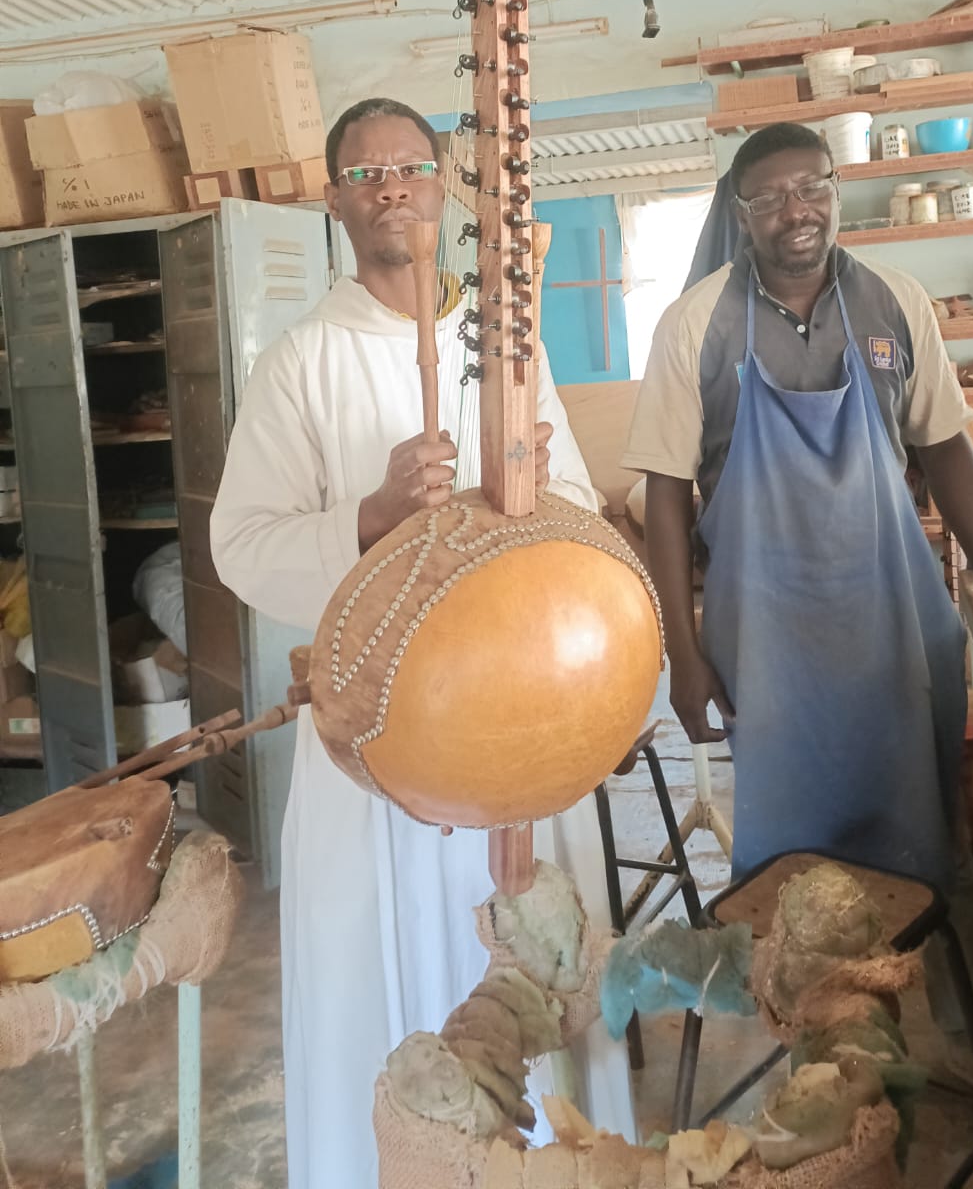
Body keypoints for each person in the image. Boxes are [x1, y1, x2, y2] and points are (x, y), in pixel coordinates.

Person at [623, 121, 973, 1146]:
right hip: (768, 647)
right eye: (772, 195)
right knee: (798, 869)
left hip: (891, 633)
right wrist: (682, 647)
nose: (798, 210)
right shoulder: (698, 323)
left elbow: (946, 442)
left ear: (837, 192)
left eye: (813, 187)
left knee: (933, 846)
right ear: (740, 215)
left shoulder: (892, 305)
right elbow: (660, 492)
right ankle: (835, 1072)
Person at [210, 98, 635, 1189]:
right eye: (363, 173)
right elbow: (240, 549)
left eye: (406, 166)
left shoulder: (509, 341)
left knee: (530, 976)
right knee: (387, 1000)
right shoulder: (301, 362)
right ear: (336, 200)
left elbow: (580, 506)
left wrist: (524, 492)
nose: (388, 186)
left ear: (444, 183)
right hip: (377, 743)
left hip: (518, 723)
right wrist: (371, 513)